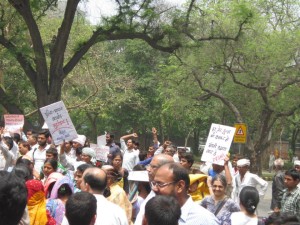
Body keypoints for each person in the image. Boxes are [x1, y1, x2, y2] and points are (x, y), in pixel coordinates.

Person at [152, 162, 220, 225]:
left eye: (160, 184)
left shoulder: (205, 220)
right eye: (154, 183)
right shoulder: (153, 211)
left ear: (180, 186)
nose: (154, 188)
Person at [61, 167, 128, 225]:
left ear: (86, 186)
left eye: (82, 181)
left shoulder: (75, 207)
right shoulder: (118, 211)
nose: (80, 184)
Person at [134, 154, 174, 225]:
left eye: (153, 167)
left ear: (166, 169)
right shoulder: (153, 187)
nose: (148, 169)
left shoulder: (169, 200)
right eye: (149, 165)